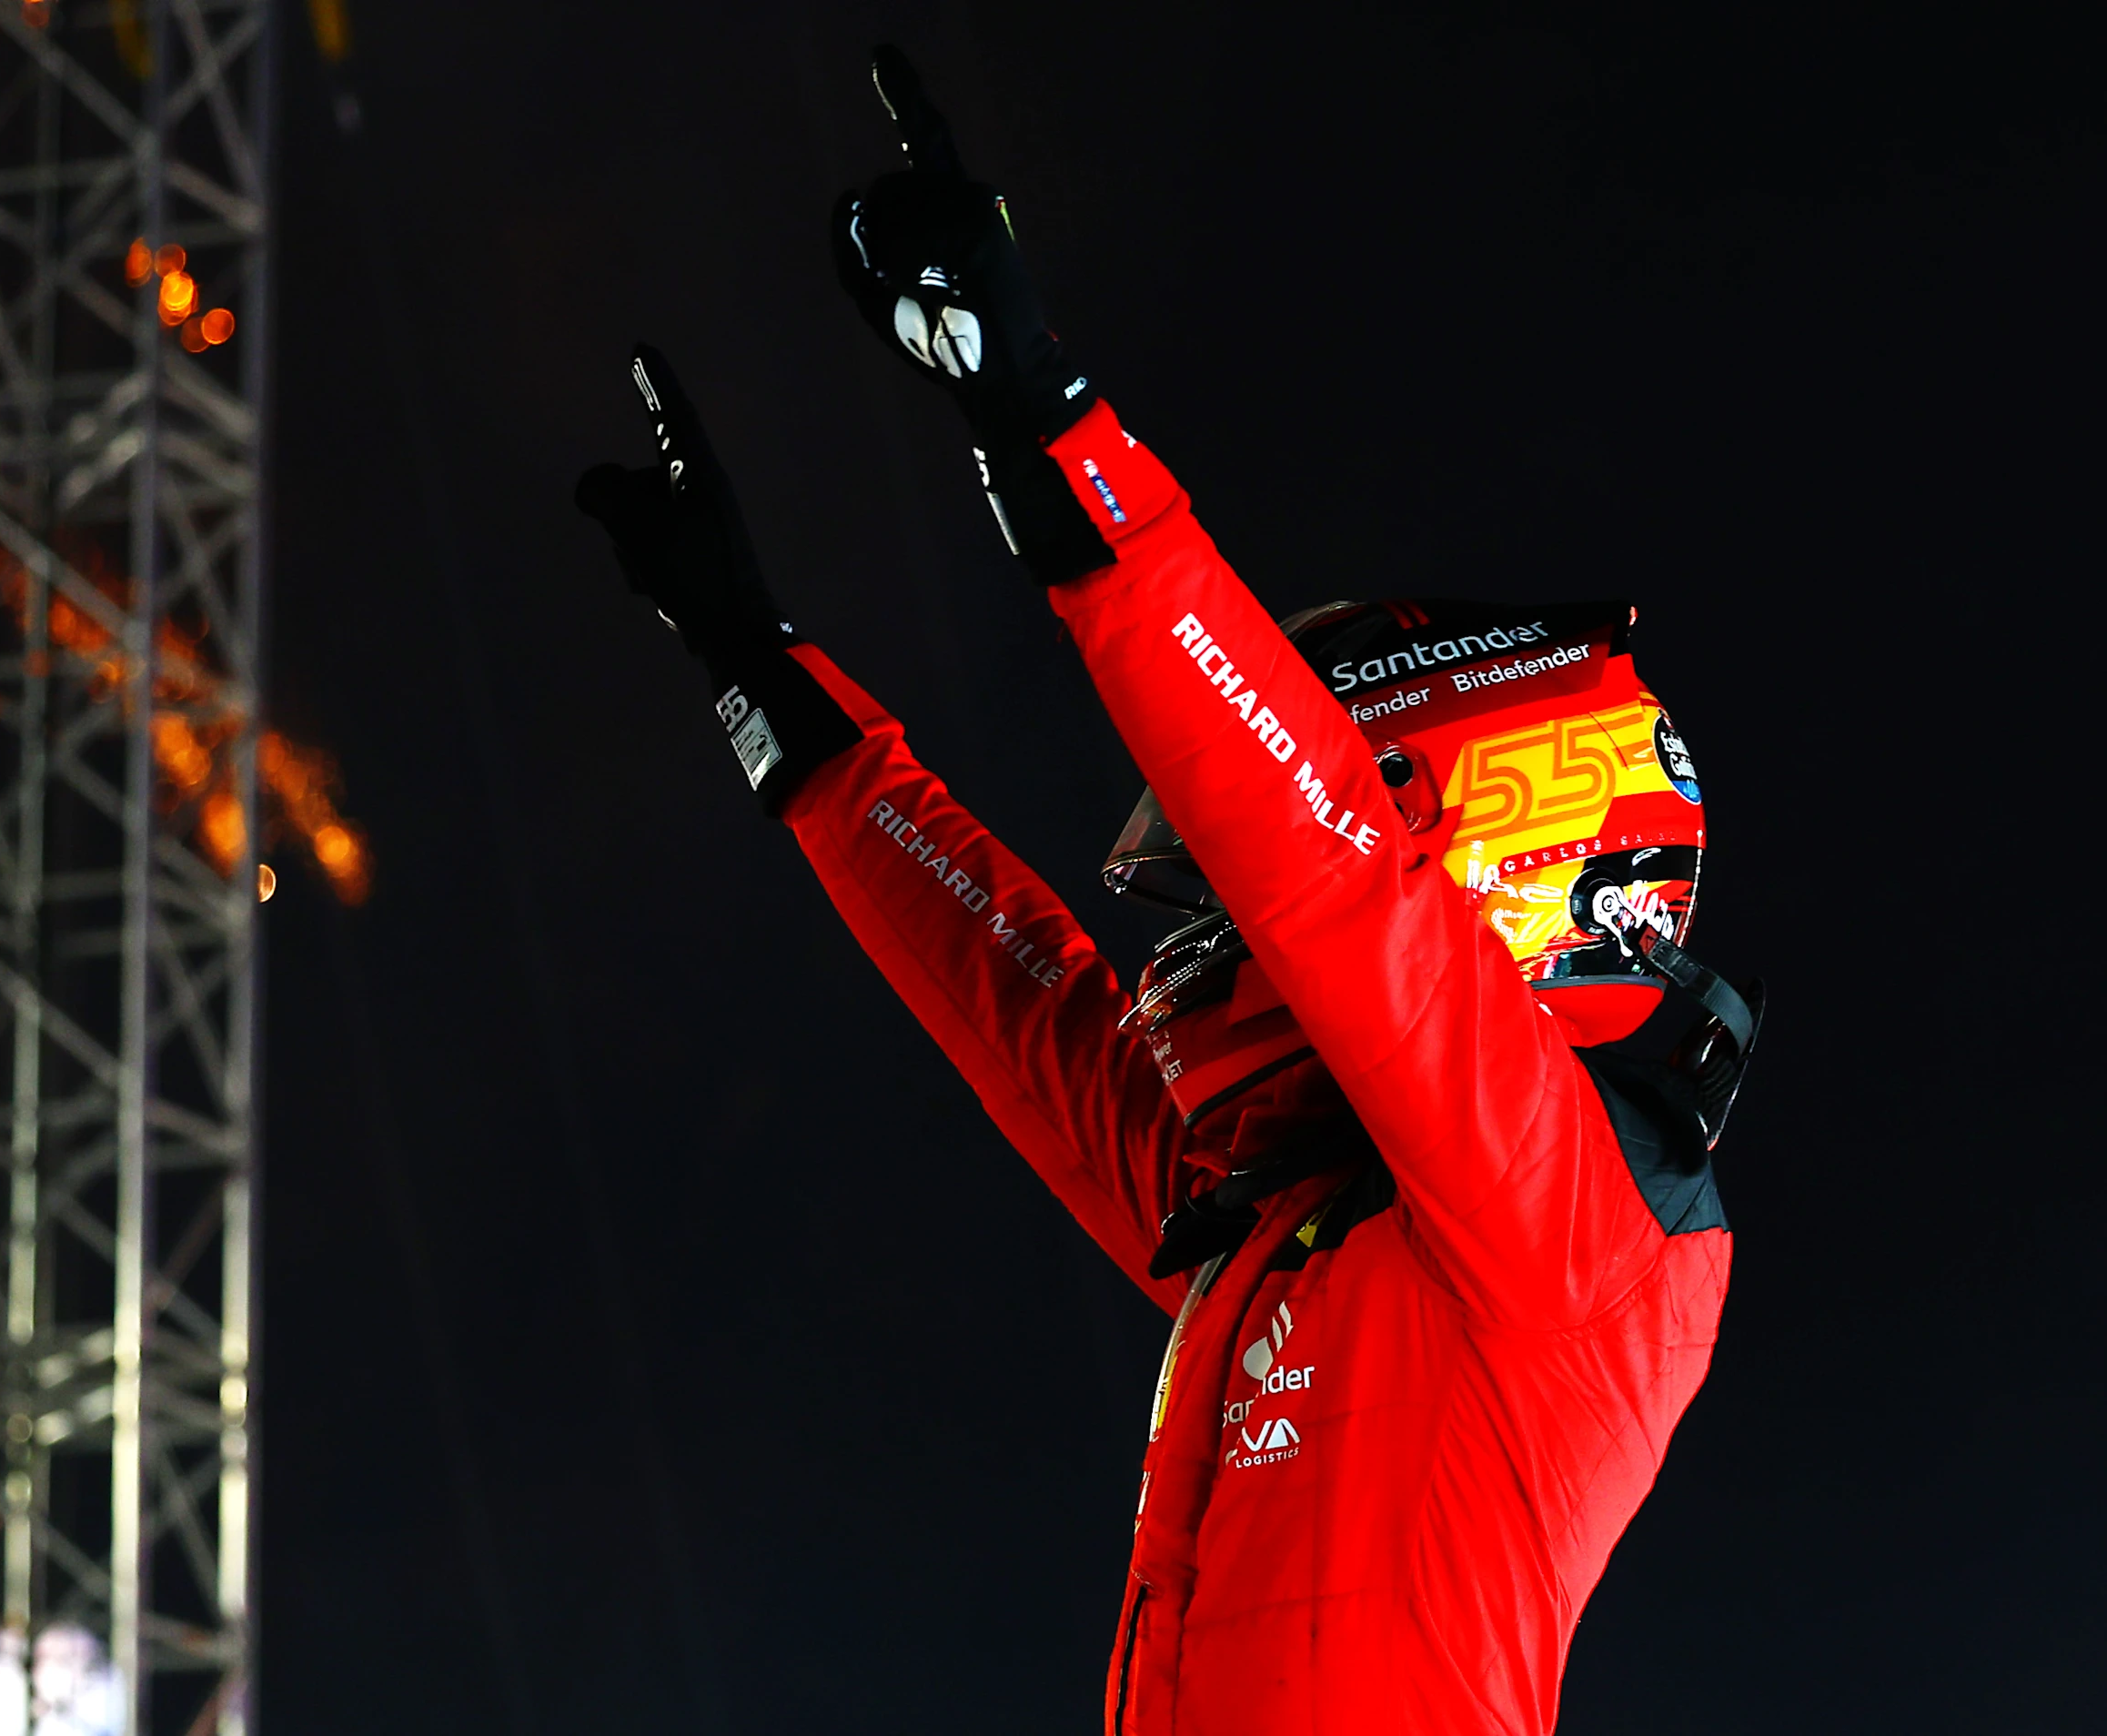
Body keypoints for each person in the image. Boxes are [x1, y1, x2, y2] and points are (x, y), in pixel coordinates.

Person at [574, 49, 1762, 1736]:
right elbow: (1026, 1002)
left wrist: (1039, 412)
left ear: (1502, 845)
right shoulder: (1283, 1225)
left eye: (1239, 877)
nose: (1205, 929)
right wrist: (760, 670)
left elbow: (1334, 877)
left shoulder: (1575, 1238)